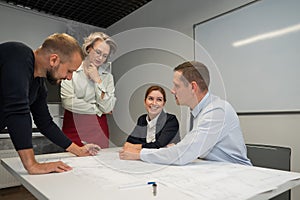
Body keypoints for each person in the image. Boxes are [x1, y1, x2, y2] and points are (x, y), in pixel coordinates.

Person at [0, 33, 101, 175]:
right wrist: (32, 165)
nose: (69, 77)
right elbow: (17, 110)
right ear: (54, 60)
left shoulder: (39, 85)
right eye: (69, 71)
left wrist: (78, 150)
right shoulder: (18, 54)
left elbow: (45, 123)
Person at [119, 61, 252, 166]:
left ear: (193, 87)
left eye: (176, 86)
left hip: (237, 174)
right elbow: (188, 148)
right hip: (214, 169)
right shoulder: (195, 111)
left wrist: (139, 154)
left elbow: (183, 154)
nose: (172, 91)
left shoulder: (217, 111)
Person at [61, 32, 117, 148]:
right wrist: (97, 109)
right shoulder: (72, 69)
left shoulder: (107, 77)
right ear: (88, 48)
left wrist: (98, 80)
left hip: (98, 129)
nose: (100, 58)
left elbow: (107, 107)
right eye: (98, 52)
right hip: (73, 126)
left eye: (105, 55)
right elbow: (68, 102)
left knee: (98, 164)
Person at [124, 85, 180, 150]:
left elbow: (159, 145)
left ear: (163, 103)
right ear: (145, 101)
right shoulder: (142, 119)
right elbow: (130, 141)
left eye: (159, 100)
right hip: (144, 158)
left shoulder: (171, 120)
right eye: (150, 99)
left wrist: (137, 146)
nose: (154, 103)